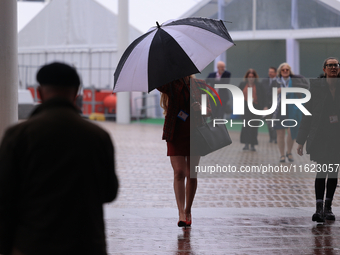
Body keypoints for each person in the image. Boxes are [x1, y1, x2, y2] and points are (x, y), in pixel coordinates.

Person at [0, 62, 119, 255]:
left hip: (33, 245)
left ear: (39, 92)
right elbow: (109, 192)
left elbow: (5, 198)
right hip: (86, 245)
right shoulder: (98, 136)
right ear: (77, 93)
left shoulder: (18, 135)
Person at [158, 76, 211, 227]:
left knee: (191, 173)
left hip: (196, 133)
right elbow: (158, 84)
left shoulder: (199, 85)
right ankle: (181, 212)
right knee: (179, 172)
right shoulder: (170, 84)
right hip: (175, 133)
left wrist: (200, 108)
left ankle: (188, 210)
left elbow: (209, 111)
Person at [296, 57, 340, 222]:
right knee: (322, 170)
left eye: (336, 65)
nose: (333, 68)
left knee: (333, 172)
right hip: (321, 136)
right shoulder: (316, 87)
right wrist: (300, 140)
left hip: (337, 137)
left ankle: (328, 207)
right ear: (324, 69)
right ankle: (318, 208)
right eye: (330, 65)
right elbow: (307, 115)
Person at [271, 63, 309, 163]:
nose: (285, 71)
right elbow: (268, 94)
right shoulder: (276, 82)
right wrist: (276, 92)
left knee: (291, 132)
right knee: (280, 133)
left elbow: (304, 88)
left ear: (289, 71)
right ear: (280, 71)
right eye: (283, 70)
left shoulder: (296, 80)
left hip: (292, 108)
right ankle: (282, 155)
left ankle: (289, 152)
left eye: (287, 69)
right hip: (279, 109)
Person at [239, 69, 267, 151]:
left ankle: (253, 144)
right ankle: (246, 143)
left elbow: (264, 96)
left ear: (255, 77)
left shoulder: (259, 85)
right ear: (247, 77)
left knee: (254, 126)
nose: (251, 78)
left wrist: (265, 106)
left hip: (256, 107)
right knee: (246, 126)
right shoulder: (242, 84)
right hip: (245, 107)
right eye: (249, 77)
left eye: (252, 77)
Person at [262, 67, 277, 143]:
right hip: (266, 105)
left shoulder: (279, 81)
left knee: (276, 121)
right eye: (269, 71)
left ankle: (276, 138)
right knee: (268, 122)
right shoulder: (265, 81)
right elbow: (262, 94)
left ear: (276, 73)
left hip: (276, 105)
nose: (270, 73)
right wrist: (265, 105)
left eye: (272, 72)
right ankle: (271, 137)